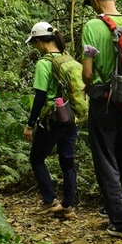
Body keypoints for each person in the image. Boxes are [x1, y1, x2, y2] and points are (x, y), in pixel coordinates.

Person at [81, 0, 122, 239]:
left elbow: (88, 73)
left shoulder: (92, 26)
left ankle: (121, 221)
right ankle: (115, 207)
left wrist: (85, 81)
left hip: (103, 99)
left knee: (104, 156)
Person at [24, 21, 78, 219]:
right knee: (68, 160)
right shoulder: (67, 58)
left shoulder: (44, 63)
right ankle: (69, 206)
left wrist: (30, 124)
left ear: (39, 42)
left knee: (37, 158)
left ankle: (51, 201)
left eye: (34, 43)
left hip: (52, 118)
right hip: (71, 116)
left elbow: (39, 97)